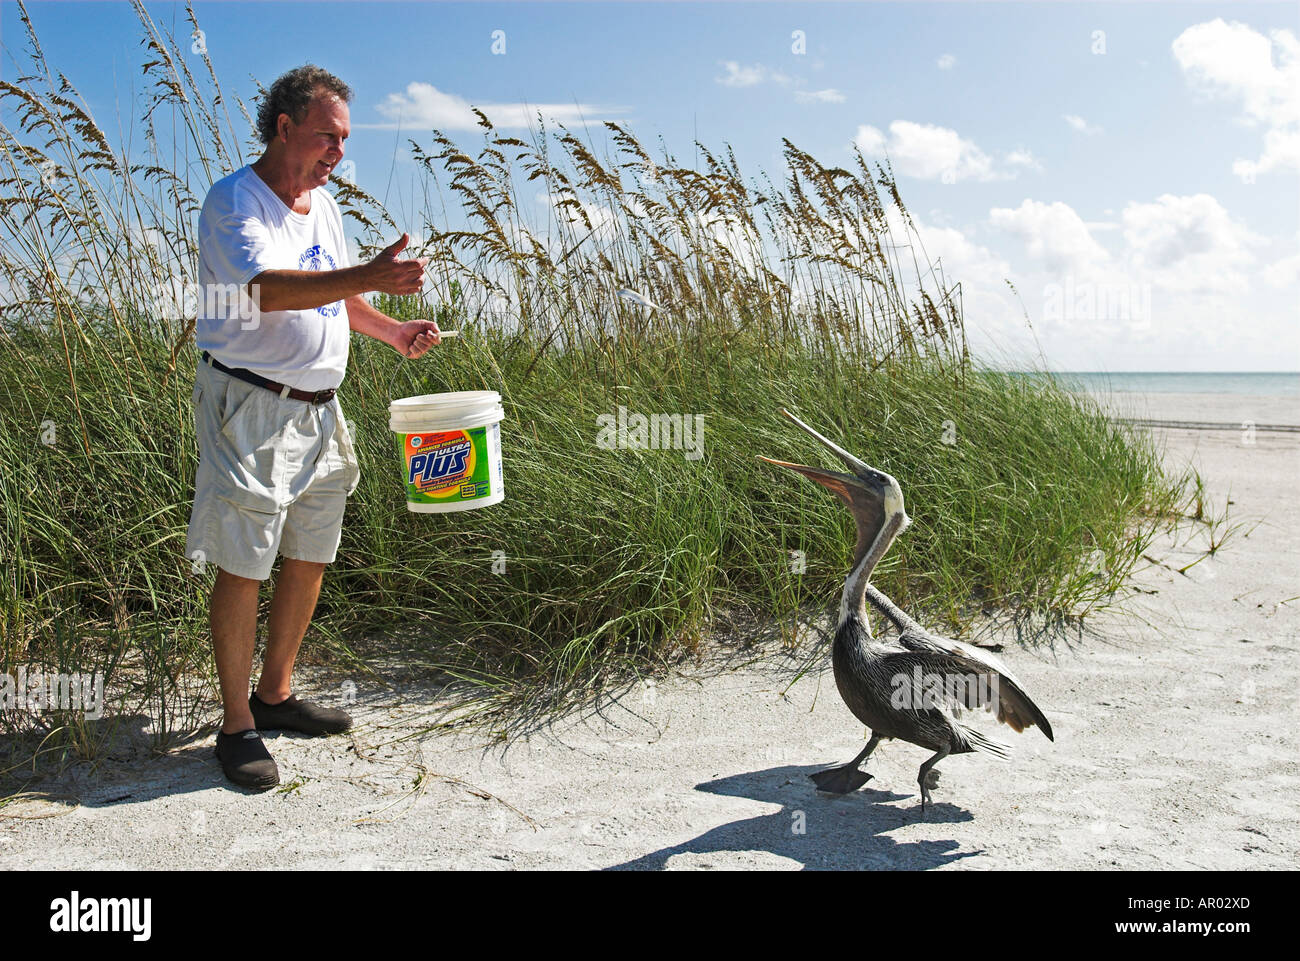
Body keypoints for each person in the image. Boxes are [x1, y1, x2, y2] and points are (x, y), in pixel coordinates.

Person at [185, 64, 442, 789]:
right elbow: (264, 290)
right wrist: (369, 275)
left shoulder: (322, 206)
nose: (338, 152)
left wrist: (389, 329)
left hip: (321, 411)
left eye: (344, 139)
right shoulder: (233, 201)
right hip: (252, 404)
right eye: (328, 136)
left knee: (311, 550)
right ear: (285, 127)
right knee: (245, 559)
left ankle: (274, 694)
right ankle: (235, 726)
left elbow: (332, 293)